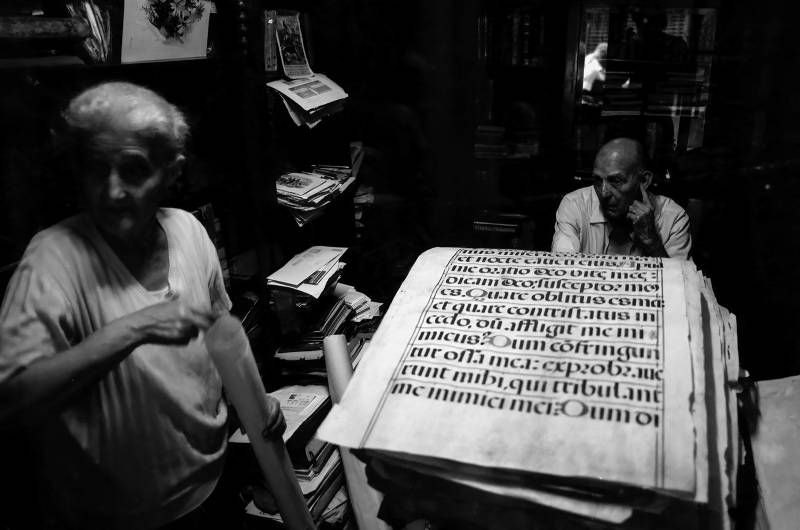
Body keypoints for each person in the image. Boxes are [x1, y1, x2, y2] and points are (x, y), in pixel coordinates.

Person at [0, 82, 283, 529]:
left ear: (172, 172)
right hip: (119, 518)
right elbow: (12, 398)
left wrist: (256, 400)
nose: (112, 191)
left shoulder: (190, 230)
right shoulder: (53, 256)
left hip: (214, 484)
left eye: (134, 170)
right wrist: (132, 329)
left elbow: (221, 333)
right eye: (96, 169)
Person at [552, 137, 691, 258]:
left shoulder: (673, 218)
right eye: (598, 180)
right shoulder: (575, 205)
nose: (604, 193)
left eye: (616, 181)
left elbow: (680, 285)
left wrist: (652, 243)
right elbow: (562, 268)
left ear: (644, 181)